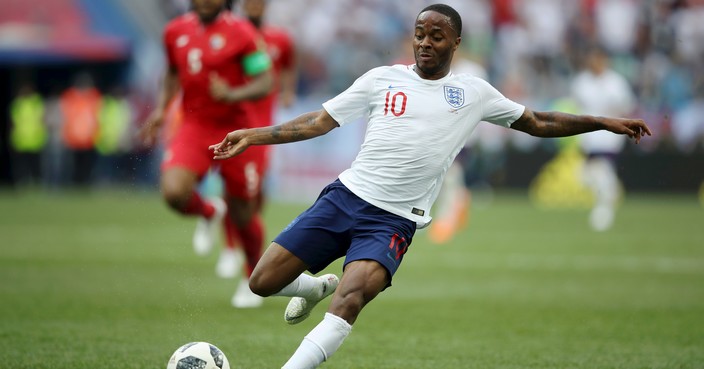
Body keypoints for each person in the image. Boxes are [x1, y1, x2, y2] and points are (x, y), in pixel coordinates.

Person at [209, 4, 651, 368]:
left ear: (456, 43)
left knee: (351, 299)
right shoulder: (381, 79)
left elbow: (538, 121)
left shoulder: (474, 93)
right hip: (344, 198)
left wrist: (601, 122)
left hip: (393, 221)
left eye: (436, 36)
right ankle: (312, 287)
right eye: (420, 33)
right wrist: (255, 134)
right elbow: (319, 121)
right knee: (261, 282)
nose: (425, 42)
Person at [140, 0, 273, 307]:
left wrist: (232, 94)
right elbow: (173, 73)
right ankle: (210, 212)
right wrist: (161, 110)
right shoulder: (175, 31)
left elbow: (266, 81)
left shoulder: (241, 32)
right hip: (195, 126)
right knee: (174, 192)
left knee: (243, 212)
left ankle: (252, 276)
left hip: (236, 130)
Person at [215, 0, 299, 308]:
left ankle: (244, 259)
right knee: (234, 191)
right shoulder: (229, 37)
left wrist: (288, 90)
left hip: (259, 128)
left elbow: (289, 64)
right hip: (227, 122)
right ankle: (228, 246)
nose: (253, 5)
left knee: (252, 194)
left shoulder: (278, 39)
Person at [571, 46, 636, 232]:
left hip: (609, 138)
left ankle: (603, 210)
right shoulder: (581, 82)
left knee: (602, 171)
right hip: (588, 137)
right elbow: (575, 108)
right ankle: (609, 196)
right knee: (587, 175)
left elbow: (627, 107)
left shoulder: (616, 83)